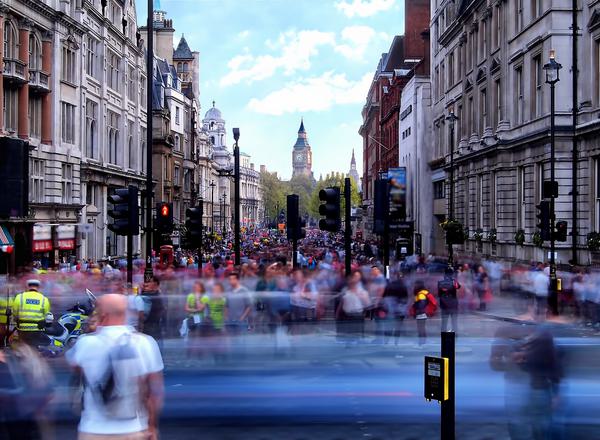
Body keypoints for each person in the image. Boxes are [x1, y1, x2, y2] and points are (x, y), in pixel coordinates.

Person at [67, 294, 164, 440]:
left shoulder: (85, 343)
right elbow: (155, 392)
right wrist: (151, 425)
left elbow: (74, 366)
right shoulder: (145, 343)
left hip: (93, 430)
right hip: (133, 430)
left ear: (102, 315)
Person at [12, 279, 51, 348]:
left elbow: (14, 313)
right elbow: (46, 315)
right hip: (37, 329)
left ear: (28, 286)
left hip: (22, 328)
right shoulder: (44, 299)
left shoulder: (19, 297)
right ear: (38, 287)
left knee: (21, 345)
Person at [139, 277, 166, 350]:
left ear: (155, 284)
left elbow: (143, 313)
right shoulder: (155, 294)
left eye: (149, 282)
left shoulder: (152, 295)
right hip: (153, 324)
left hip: (150, 324)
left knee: (151, 346)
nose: (146, 284)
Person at [438, 268, 460, 333]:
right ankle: (454, 335)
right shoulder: (454, 282)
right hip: (453, 304)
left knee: (444, 322)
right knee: (454, 321)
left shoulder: (440, 282)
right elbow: (458, 287)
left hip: (444, 304)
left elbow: (439, 294)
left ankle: (443, 335)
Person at [411, 280, 430, 347]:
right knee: (422, 328)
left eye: (415, 285)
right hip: (423, 312)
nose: (414, 286)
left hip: (421, 313)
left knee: (420, 328)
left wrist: (415, 305)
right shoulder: (423, 293)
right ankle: (422, 342)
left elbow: (422, 303)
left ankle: (421, 343)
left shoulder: (421, 294)